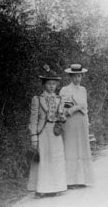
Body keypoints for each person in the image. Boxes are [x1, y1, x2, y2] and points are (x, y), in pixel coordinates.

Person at [27, 65, 67, 198]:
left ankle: (55, 187)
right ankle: (40, 189)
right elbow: (33, 119)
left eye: (54, 84)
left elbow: (62, 117)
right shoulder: (37, 99)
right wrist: (34, 136)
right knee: (42, 159)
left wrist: (62, 117)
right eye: (49, 84)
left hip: (55, 132)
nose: (51, 86)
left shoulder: (59, 99)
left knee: (55, 159)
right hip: (42, 132)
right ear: (44, 84)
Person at [60, 64, 95, 189]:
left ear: (82, 76)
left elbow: (86, 108)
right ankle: (71, 181)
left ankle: (82, 179)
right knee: (71, 148)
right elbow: (64, 109)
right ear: (70, 76)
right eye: (74, 76)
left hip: (82, 122)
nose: (77, 79)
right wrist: (76, 108)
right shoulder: (65, 90)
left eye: (79, 76)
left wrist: (87, 120)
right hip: (71, 121)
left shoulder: (83, 90)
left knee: (82, 148)